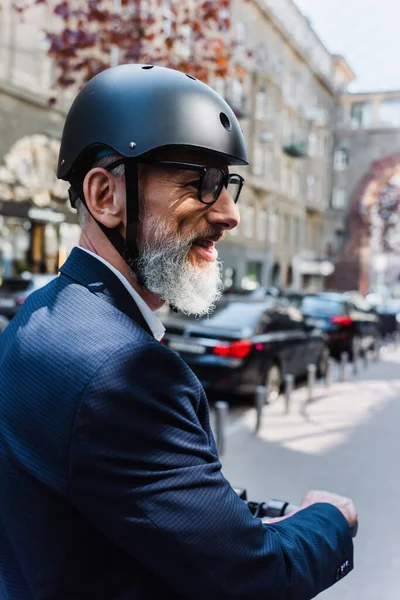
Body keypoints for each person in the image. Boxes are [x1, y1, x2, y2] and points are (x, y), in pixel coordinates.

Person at [0, 64, 357, 599]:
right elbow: (257, 580)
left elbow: (119, 496)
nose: (230, 214)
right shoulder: (125, 371)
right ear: (105, 196)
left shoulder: (39, 315)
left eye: (228, 184)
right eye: (202, 183)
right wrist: (330, 517)